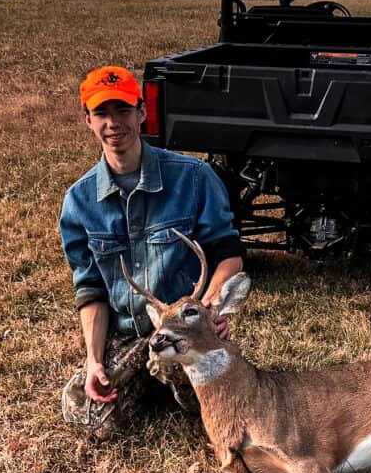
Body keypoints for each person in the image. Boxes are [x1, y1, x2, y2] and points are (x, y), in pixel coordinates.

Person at [59, 65, 245, 432]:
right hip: (129, 331)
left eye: (123, 110)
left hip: (186, 328)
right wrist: (94, 360)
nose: (114, 123)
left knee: (214, 401)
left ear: (141, 112)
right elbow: (90, 289)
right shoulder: (79, 201)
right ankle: (157, 384)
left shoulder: (193, 177)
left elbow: (229, 257)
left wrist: (206, 312)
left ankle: (180, 385)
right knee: (90, 417)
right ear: (87, 119)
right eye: (102, 113)